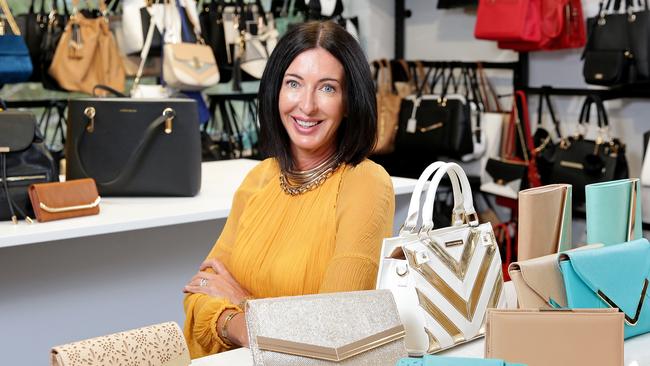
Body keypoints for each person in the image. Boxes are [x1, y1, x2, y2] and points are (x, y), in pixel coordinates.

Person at [182, 20, 395, 358]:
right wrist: (256, 326)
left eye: (327, 88)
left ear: (349, 102)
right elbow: (199, 292)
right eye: (294, 84)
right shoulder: (260, 179)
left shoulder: (365, 184)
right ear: (275, 90)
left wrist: (239, 301)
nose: (307, 105)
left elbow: (332, 333)